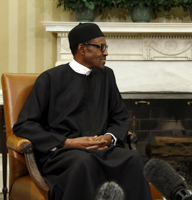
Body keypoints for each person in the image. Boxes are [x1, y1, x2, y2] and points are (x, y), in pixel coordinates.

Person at [13, 23, 152, 200]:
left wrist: (108, 137)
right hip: (64, 154)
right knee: (84, 163)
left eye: (105, 47)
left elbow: (119, 117)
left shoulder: (107, 76)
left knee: (132, 159)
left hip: (103, 149)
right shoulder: (50, 79)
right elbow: (24, 124)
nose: (106, 53)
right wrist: (68, 142)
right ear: (82, 49)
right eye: (101, 47)